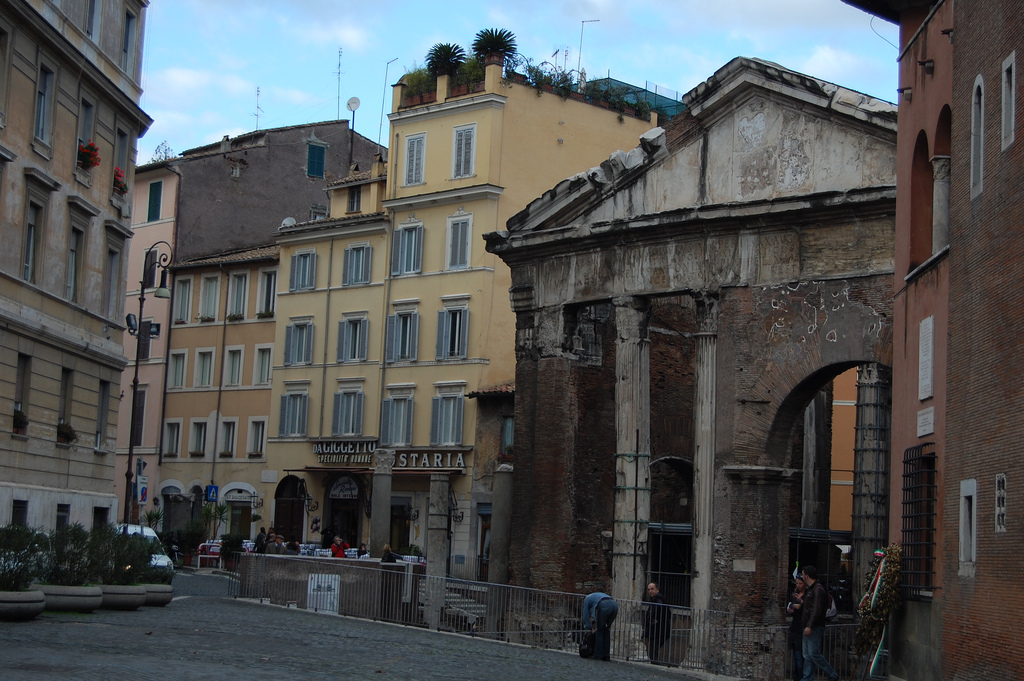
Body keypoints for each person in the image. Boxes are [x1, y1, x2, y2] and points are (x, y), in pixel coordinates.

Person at [800, 565, 839, 681]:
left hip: (814, 626)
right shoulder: (812, 589)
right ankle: (807, 678)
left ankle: (832, 675)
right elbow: (811, 607)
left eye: (803, 574)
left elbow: (816, 610)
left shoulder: (818, 589)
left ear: (807, 576)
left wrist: (809, 625)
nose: (802, 576)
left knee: (813, 654)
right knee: (807, 655)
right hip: (809, 625)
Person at [581, 592, 618, 661]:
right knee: (606, 630)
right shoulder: (595, 597)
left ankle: (598, 654)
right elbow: (593, 615)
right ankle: (606, 655)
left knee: (600, 630)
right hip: (615, 605)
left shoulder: (586, 599)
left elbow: (585, 614)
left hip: (604, 604)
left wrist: (589, 627)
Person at [642, 582, 671, 664]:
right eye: (649, 590)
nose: (650, 591)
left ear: (657, 589)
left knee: (653, 649)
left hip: (658, 630)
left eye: (652, 589)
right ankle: (654, 663)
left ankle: (655, 664)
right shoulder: (656, 599)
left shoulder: (658, 599)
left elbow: (658, 609)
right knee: (653, 649)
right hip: (658, 629)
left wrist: (652, 619)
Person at [786, 574, 807, 681]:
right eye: (797, 583)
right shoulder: (794, 595)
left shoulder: (808, 595)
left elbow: (808, 609)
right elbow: (790, 606)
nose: (798, 585)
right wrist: (791, 609)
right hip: (795, 628)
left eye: (800, 583)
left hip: (803, 628)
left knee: (801, 659)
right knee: (796, 658)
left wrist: (800, 604)